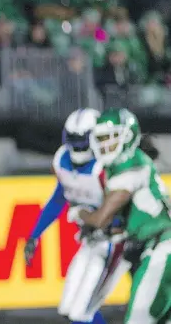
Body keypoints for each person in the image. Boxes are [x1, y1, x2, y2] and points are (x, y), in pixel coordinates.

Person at [24, 108, 129, 324]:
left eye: (82, 140)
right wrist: (34, 235)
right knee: (70, 308)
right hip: (90, 241)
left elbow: (126, 206)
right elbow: (57, 200)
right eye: (74, 140)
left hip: (113, 242)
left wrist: (113, 224)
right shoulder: (63, 160)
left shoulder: (106, 166)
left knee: (82, 311)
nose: (78, 146)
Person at [73, 109, 171, 324]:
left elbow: (101, 218)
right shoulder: (132, 162)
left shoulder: (130, 164)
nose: (105, 145)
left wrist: (79, 213)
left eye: (110, 138)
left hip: (162, 249)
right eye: (101, 139)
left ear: (127, 136)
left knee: (138, 319)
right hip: (158, 246)